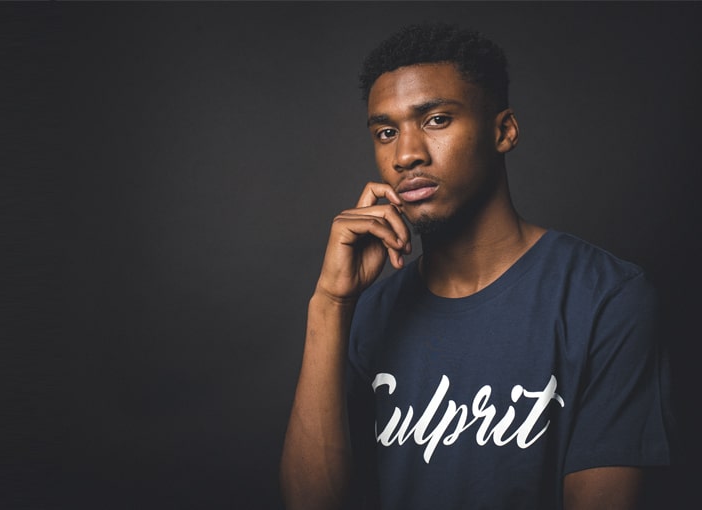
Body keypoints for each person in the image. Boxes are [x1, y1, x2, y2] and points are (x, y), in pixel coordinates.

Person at [279, 23, 672, 510]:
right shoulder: (366, 312)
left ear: (503, 131)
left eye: (436, 120)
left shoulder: (606, 297)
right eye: (386, 132)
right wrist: (330, 303)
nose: (406, 155)